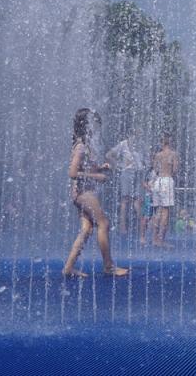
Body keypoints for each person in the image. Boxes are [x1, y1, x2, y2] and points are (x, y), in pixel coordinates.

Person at [62, 108, 128, 278]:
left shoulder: (81, 145)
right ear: (86, 126)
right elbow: (72, 173)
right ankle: (109, 266)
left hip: (80, 193)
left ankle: (68, 268)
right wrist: (96, 176)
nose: (96, 129)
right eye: (94, 125)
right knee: (104, 223)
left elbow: (84, 167)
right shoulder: (81, 147)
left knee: (87, 229)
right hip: (84, 193)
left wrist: (100, 167)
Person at [107, 129, 145, 236]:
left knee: (137, 201)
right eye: (135, 135)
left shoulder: (140, 145)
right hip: (127, 173)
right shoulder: (123, 144)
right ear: (130, 135)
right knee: (125, 200)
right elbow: (109, 155)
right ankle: (123, 227)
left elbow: (143, 160)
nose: (136, 138)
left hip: (138, 173)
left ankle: (141, 228)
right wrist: (118, 165)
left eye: (138, 135)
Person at [151, 133, 179, 248]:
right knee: (165, 212)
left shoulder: (158, 155)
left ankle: (154, 238)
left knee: (158, 211)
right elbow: (176, 169)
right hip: (167, 180)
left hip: (158, 181)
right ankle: (161, 239)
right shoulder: (173, 154)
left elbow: (155, 169)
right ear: (170, 142)